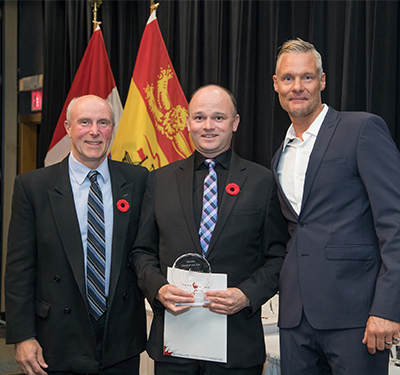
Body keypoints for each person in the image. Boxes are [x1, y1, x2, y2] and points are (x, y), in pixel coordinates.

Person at [130, 84, 288, 375]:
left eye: (219, 117)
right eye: (199, 117)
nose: (208, 126)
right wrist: (159, 288)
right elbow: (142, 251)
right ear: (187, 122)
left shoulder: (261, 181)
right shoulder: (159, 181)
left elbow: (279, 256)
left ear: (235, 122)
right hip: (174, 346)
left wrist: (246, 294)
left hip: (237, 344)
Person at [271, 38, 400, 374]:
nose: (297, 87)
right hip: (296, 320)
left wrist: (388, 307)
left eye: (307, 77)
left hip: (357, 319)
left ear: (323, 80)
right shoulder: (279, 156)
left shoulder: (361, 129)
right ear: (276, 84)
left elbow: (395, 223)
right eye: (288, 78)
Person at [5, 95, 148, 375]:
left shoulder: (139, 181)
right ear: (69, 128)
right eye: (85, 122)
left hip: (120, 340)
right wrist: (23, 336)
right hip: (56, 340)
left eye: (103, 123)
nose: (94, 131)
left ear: (113, 128)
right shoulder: (33, 187)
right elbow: (19, 270)